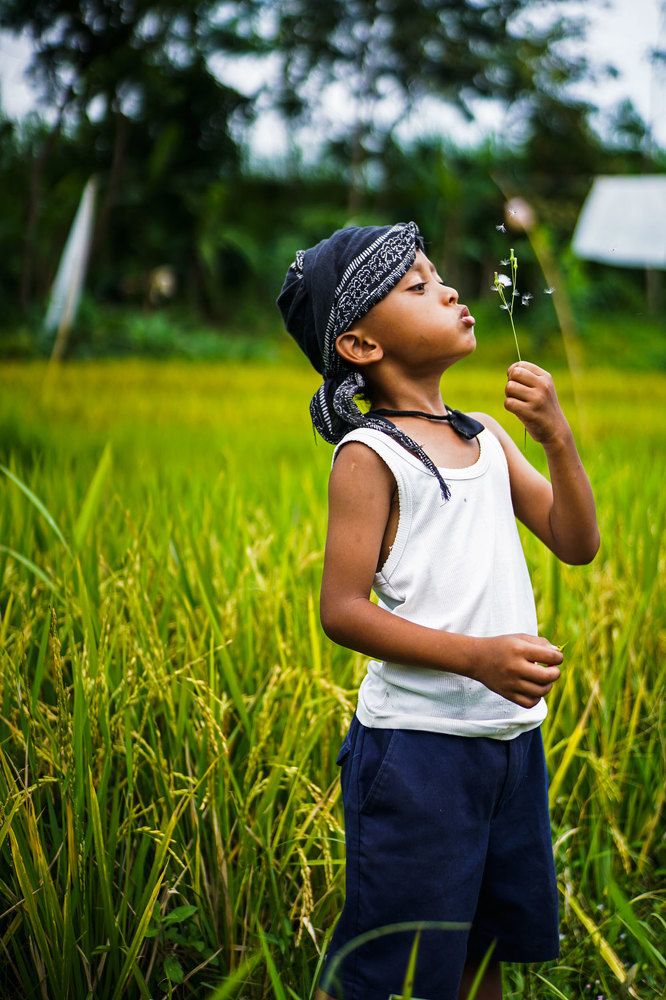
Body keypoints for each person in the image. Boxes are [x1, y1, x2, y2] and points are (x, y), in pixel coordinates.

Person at [276, 221, 600, 1000]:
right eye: (418, 286)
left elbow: (575, 540)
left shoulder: (487, 437)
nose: (450, 290)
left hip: (509, 745)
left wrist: (556, 437)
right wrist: (477, 658)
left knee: (482, 952)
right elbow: (342, 611)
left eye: (437, 275)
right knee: (405, 970)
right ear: (360, 345)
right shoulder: (371, 455)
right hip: (418, 756)